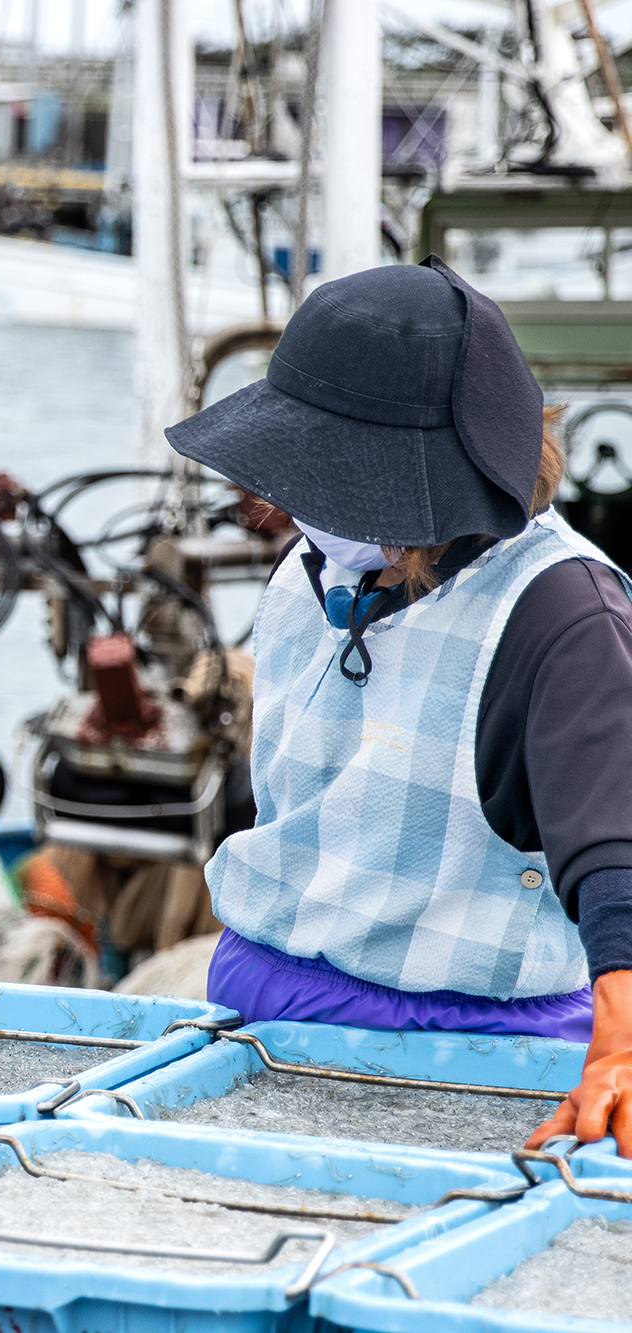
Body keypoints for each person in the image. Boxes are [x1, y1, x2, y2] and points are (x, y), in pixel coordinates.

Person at [166, 257, 632, 1155]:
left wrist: (620, 1040)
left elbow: (615, 856)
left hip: (467, 1050)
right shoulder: (316, 573)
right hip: (261, 1008)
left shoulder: (563, 615)